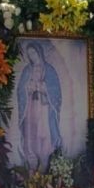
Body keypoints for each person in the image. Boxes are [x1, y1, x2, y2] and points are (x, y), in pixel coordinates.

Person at [17, 41, 62, 170]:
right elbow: (20, 89)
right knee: (31, 133)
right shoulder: (27, 70)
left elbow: (56, 89)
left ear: (39, 52)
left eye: (33, 53)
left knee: (44, 133)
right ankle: (32, 163)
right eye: (29, 54)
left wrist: (43, 88)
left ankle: (45, 161)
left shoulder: (49, 70)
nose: (32, 56)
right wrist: (27, 88)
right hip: (30, 107)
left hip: (44, 108)